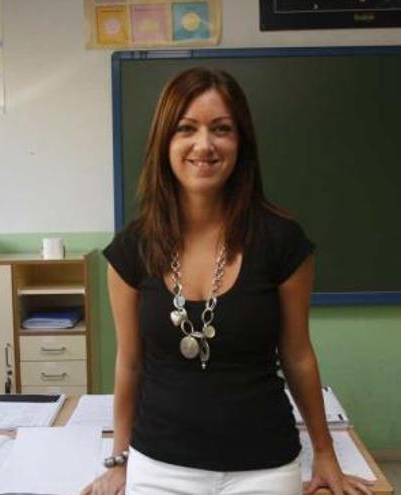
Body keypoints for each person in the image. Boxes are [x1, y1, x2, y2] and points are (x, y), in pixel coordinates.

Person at [82, 67, 372, 495]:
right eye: (186, 128)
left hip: (264, 466)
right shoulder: (132, 248)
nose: (204, 145)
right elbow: (129, 364)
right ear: (165, 142)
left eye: (221, 129)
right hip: (159, 465)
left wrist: (324, 452)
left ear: (241, 144)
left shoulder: (282, 242)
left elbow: (298, 356)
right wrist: (119, 461)